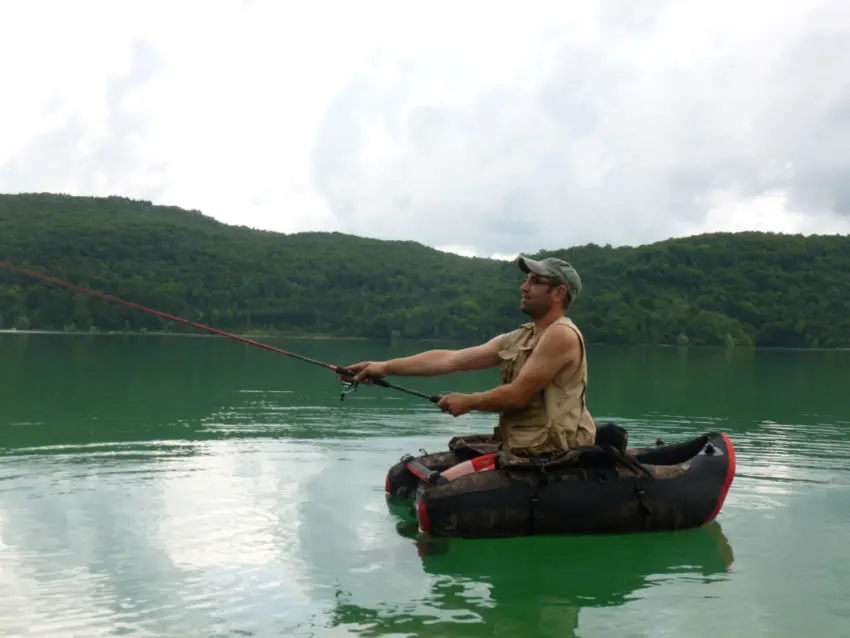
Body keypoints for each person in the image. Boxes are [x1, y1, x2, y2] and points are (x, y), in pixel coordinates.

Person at [346, 255, 596, 463]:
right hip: (523, 445)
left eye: (535, 281)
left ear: (558, 293)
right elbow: (451, 359)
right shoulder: (521, 337)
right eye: (526, 280)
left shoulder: (561, 334)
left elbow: (517, 395)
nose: (524, 287)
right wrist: (383, 367)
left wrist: (469, 401)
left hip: (555, 453)